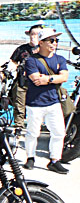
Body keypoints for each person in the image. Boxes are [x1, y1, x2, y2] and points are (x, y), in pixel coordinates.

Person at [22, 29, 69, 174]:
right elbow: (35, 79)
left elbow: (64, 77)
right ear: (41, 43)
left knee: (59, 132)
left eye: (56, 41)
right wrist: (55, 78)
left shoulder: (60, 59)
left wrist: (48, 79)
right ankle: (30, 157)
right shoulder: (31, 60)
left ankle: (55, 160)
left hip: (54, 102)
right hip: (35, 103)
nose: (54, 43)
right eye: (51, 40)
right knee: (32, 133)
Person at [9, 23, 44, 130]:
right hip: (22, 81)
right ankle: (18, 127)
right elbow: (13, 61)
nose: (34, 37)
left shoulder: (44, 50)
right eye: (32, 34)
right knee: (19, 107)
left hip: (38, 83)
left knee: (37, 107)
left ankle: (37, 127)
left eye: (37, 34)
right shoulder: (21, 49)